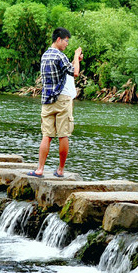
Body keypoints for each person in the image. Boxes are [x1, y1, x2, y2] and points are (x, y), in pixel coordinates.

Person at [29, 27, 82, 177]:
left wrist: (75, 61)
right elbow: (75, 73)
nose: (67, 44)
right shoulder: (60, 56)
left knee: (47, 135)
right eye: (66, 41)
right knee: (63, 135)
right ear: (59, 39)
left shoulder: (45, 55)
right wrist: (77, 56)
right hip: (62, 100)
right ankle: (60, 170)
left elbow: (65, 71)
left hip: (47, 100)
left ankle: (39, 169)